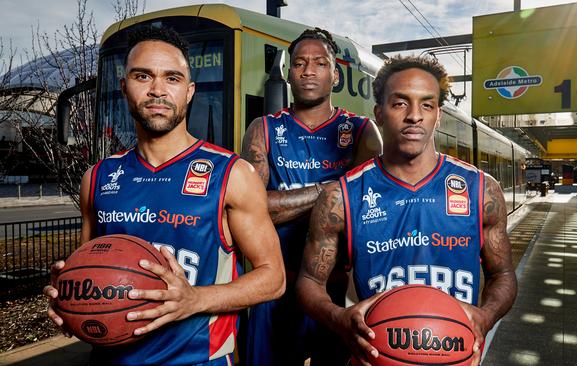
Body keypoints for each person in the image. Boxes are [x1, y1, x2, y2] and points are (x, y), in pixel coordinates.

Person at [44, 26, 285, 366]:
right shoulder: (97, 179)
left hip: (199, 360)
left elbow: (273, 278)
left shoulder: (231, 174)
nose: (157, 90)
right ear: (124, 87)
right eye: (143, 76)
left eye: (172, 79)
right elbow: (90, 267)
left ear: (189, 92)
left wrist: (195, 299)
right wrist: (71, 297)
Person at [296, 56, 518, 366]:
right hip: (377, 356)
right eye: (400, 104)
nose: (415, 116)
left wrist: (486, 316)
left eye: (427, 105)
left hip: (455, 355)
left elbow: (504, 275)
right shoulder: (341, 196)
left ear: (437, 116)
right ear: (379, 114)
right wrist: (339, 317)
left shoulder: (482, 190)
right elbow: (309, 281)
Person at [241, 28, 382, 366]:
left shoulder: (361, 131)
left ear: (335, 75)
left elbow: (367, 214)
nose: (308, 71)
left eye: (320, 63)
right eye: (300, 63)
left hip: (335, 293)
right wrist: (331, 191)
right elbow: (253, 212)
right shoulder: (262, 128)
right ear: (288, 73)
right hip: (274, 287)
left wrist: (282, 201)